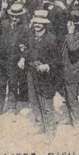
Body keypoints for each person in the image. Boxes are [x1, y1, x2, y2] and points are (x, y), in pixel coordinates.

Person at [20, 11, 59, 144]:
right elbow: (27, 50)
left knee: (46, 103)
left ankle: (50, 131)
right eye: (35, 22)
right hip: (32, 72)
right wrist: (22, 58)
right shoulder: (31, 36)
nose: (36, 25)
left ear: (45, 24)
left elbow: (57, 61)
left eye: (39, 23)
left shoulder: (51, 39)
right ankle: (39, 125)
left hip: (46, 76)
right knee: (34, 101)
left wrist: (47, 66)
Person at [0, 3, 28, 119]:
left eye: (17, 17)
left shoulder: (25, 28)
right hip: (1, 59)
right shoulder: (3, 24)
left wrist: (22, 58)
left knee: (12, 84)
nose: (15, 19)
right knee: (0, 83)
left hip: (14, 60)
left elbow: (26, 45)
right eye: (13, 16)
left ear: (21, 16)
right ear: (10, 15)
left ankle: (12, 108)